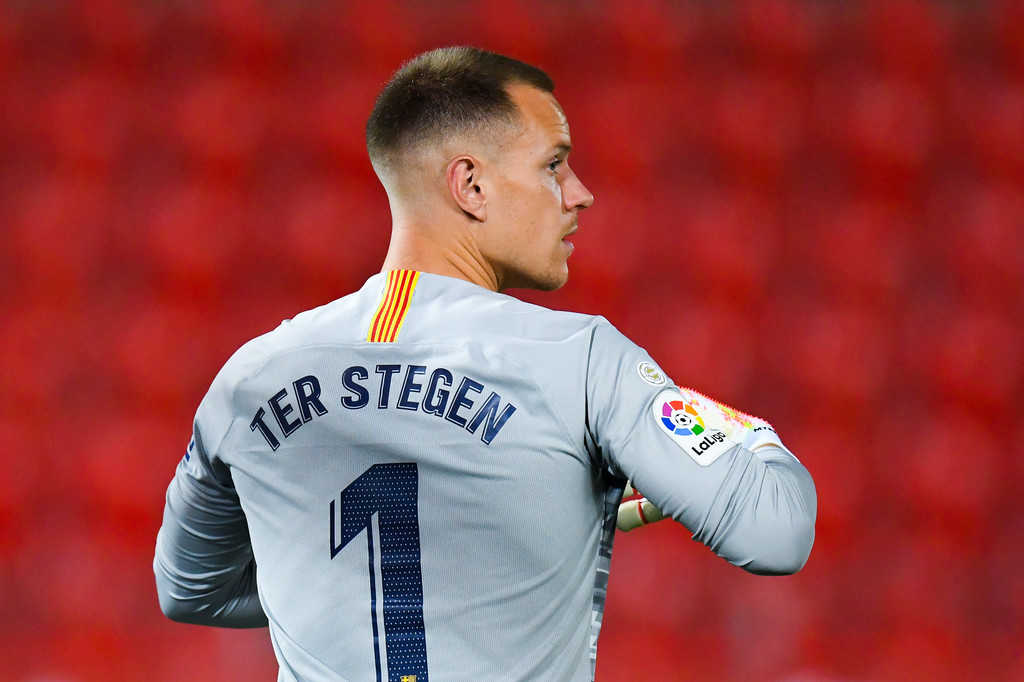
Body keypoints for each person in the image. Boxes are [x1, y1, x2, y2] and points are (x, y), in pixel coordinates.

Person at [154, 46, 816, 682]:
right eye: (553, 165)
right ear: (470, 184)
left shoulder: (251, 378)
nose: (579, 194)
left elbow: (190, 591)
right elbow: (776, 530)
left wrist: (350, 580)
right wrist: (741, 430)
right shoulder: (577, 359)